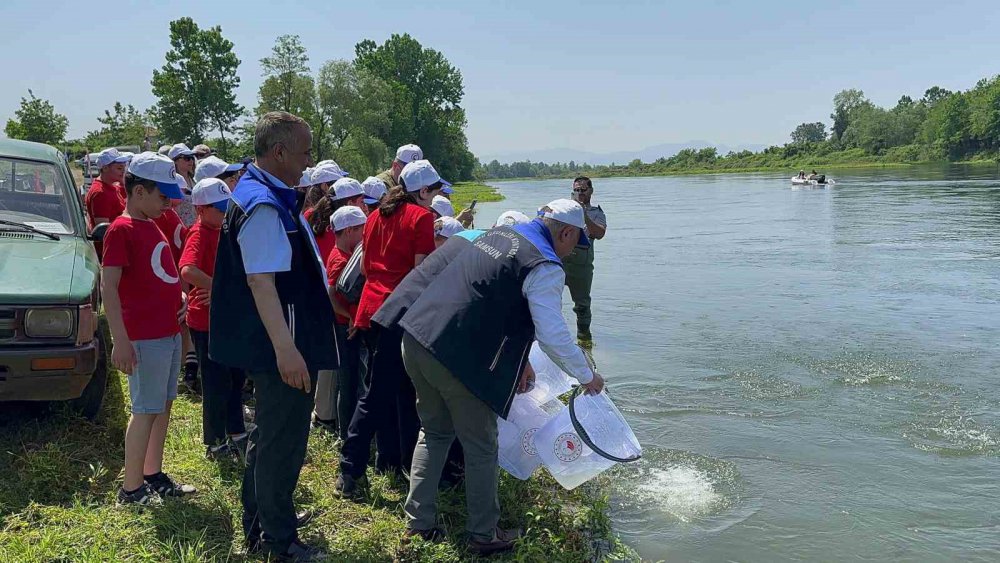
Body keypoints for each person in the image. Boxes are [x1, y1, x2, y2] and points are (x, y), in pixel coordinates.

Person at [390, 199, 605, 554]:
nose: (571, 253)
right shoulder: (545, 264)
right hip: (456, 356)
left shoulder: (500, 235)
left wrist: (521, 360)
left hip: (416, 337)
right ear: (566, 233)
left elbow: (485, 298)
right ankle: (483, 534)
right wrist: (586, 375)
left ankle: (418, 523)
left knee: (435, 433)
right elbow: (553, 335)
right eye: (575, 244)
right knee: (481, 445)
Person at [210, 111, 338, 561]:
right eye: (304, 152)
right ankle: (278, 541)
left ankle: (260, 520)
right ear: (279, 152)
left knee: (270, 434)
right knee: (283, 443)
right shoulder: (263, 204)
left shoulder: (262, 193)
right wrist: (287, 351)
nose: (308, 161)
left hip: (283, 338)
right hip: (284, 342)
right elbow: (261, 283)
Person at [336, 159, 444, 498]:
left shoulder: (374, 216)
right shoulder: (421, 218)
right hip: (398, 312)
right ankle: (350, 469)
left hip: (371, 310)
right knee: (378, 393)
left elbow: (365, 268)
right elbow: (420, 274)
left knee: (399, 389)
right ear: (422, 191)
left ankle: (395, 460)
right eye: (434, 191)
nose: (435, 198)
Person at [102, 152, 196, 506]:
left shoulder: (152, 223)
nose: (168, 203)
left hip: (167, 332)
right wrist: (120, 341)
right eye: (162, 196)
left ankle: (152, 472)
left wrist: (178, 297)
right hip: (145, 337)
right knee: (144, 410)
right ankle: (131, 488)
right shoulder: (121, 229)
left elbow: (160, 272)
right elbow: (109, 287)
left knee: (162, 405)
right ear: (139, 191)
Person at [179, 178, 248, 460]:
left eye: (226, 208)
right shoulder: (199, 233)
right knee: (216, 383)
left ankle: (236, 430)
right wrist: (218, 288)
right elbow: (187, 270)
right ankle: (215, 441)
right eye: (219, 209)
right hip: (205, 321)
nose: (224, 213)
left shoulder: (223, 229)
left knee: (235, 377)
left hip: (226, 316)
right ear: (201, 209)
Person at [314, 206, 367, 438]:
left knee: (350, 381)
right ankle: (346, 433)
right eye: (361, 230)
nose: (364, 235)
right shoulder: (340, 259)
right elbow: (331, 295)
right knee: (348, 383)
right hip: (345, 328)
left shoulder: (343, 254)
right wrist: (350, 316)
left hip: (347, 326)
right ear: (348, 231)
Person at [563, 176, 607, 342]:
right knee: (547, 300)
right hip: (559, 262)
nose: (580, 193)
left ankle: (584, 340)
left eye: (583, 190)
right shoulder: (563, 210)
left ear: (591, 191)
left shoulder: (596, 213)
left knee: (582, 305)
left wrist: (583, 214)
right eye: (576, 190)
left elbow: (599, 233)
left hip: (581, 266)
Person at [84, 148, 129, 256]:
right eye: (119, 168)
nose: (123, 171)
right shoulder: (100, 193)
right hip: (110, 251)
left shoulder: (111, 187)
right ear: (105, 168)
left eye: (124, 167)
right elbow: (103, 229)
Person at [307, 176, 364, 263]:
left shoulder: (311, 215)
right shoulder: (342, 233)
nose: (364, 206)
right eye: (362, 202)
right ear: (350, 204)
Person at [168, 143, 198, 227]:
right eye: (186, 158)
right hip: (178, 226)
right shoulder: (171, 182)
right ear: (175, 161)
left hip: (195, 226)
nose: (191, 161)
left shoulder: (195, 181)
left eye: (192, 157)